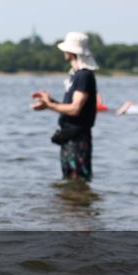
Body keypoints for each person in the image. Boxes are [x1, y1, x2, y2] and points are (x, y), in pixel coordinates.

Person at [30, 32, 98, 182]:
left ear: (71, 52)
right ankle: (77, 205)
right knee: (70, 183)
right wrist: (49, 102)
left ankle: (78, 205)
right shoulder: (77, 75)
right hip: (71, 138)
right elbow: (72, 107)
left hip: (78, 139)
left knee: (77, 180)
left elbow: (75, 109)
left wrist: (49, 105)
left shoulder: (83, 75)